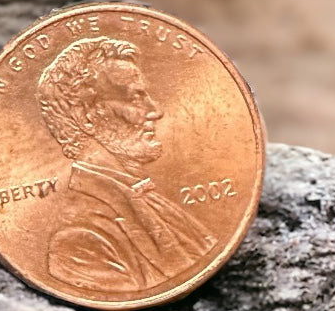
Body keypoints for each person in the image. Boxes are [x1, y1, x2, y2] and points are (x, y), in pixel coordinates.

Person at [37, 36, 214, 292]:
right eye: (135, 97)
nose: (155, 111)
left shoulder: (150, 199)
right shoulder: (79, 240)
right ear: (85, 116)